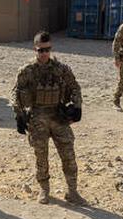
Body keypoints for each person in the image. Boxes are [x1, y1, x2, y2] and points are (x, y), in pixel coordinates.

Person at [11, 31, 85, 205]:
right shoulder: (27, 71)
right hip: (37, 118)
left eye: (47, 50)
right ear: (35, 49)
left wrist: (77, 106)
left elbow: (75, 87)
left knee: (68, 155)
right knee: (41, 157)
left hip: (58, 116)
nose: (44, 54)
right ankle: (44, 189)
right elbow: (15, 92)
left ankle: (72, 191)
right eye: (40, 50)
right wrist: (19, 114)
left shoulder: (61, 69)